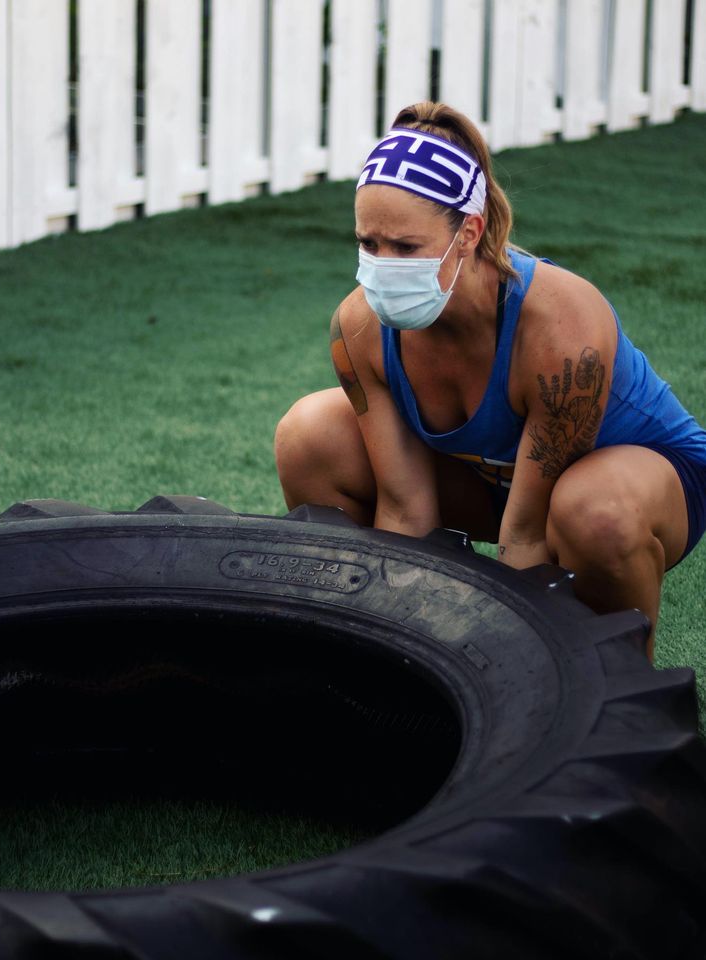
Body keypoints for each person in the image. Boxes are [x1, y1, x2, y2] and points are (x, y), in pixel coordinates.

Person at [273, 100, 706, 659]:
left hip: (636, 487)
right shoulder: (357, 326)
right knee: (309, 436)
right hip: (493, 480)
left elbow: (524, 541)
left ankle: (629, 696)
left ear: (470, 232)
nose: (382, 266)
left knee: (590, 512)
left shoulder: (561, 324)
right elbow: (406, 514)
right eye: (367, 243)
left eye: (405, 247)